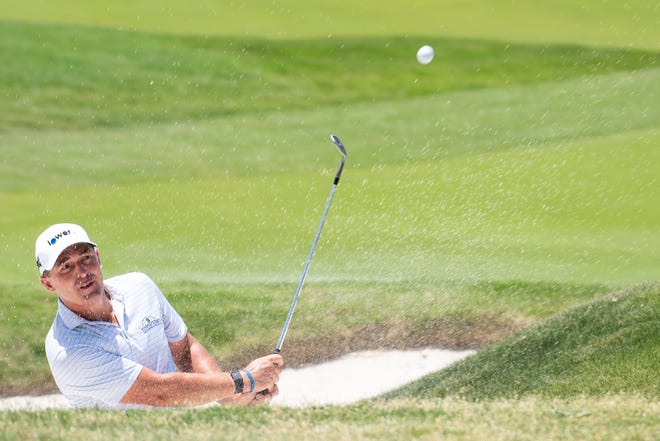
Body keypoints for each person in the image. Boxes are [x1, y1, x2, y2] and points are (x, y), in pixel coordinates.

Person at [35, 223, 283, 408]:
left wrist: (231, 398)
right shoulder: (68, 351)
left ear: (98, 258)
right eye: (65, 266)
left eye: (86, 258)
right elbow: (160, 392)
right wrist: (244, 381)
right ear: (48, 284)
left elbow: (184, 348)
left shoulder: (139, 286)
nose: (82, 272)